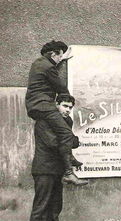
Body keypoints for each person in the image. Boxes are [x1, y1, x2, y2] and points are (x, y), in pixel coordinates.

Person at [28, 93, 87, 221]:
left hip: (57, 169)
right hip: (44, 169)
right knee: (41, 205)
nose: (67, 110)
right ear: (56, 104)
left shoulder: (66, 121)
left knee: (55, 205)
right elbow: (54, 143)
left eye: (70, 107)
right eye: (64, 106)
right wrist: (71, 141)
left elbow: (70, 142)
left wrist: (71, 141)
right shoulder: (43, 121)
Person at [25, 40, 86, 185]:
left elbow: (50, 68)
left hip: (35, 105)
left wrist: (61, 59)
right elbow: (60, 87)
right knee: (65, 133)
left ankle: (69, 158)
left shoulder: (38, 63)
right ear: (53, 54)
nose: (60, 59)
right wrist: (67, 98)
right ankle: (69, 173)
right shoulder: (48, 67)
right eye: (59, 56)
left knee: (63, 129)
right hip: (43, 105)